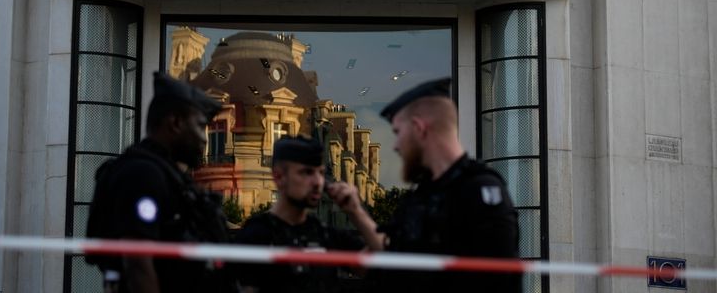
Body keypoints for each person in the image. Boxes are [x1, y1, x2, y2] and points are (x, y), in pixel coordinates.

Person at [336, 77, 522, 292]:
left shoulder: (478, 191)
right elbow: (392, 259)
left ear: (418, 127)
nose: (395, 146)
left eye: (397, 132)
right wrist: (355, 211)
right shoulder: (420, 196)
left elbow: (497, 280)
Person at [86, 72, 234, 293]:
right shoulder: (142, 174)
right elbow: (137, 263)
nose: (205, 139)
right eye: (200, 126)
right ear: (175, 123)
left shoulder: (170, 177)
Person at [234, 136, 381, 293]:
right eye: (307, 172)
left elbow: (385, 262)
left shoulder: (324, 234)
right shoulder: (256, 234)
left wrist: (356, 211)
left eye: (321, 173)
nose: (318, 182)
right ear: (279, 177)